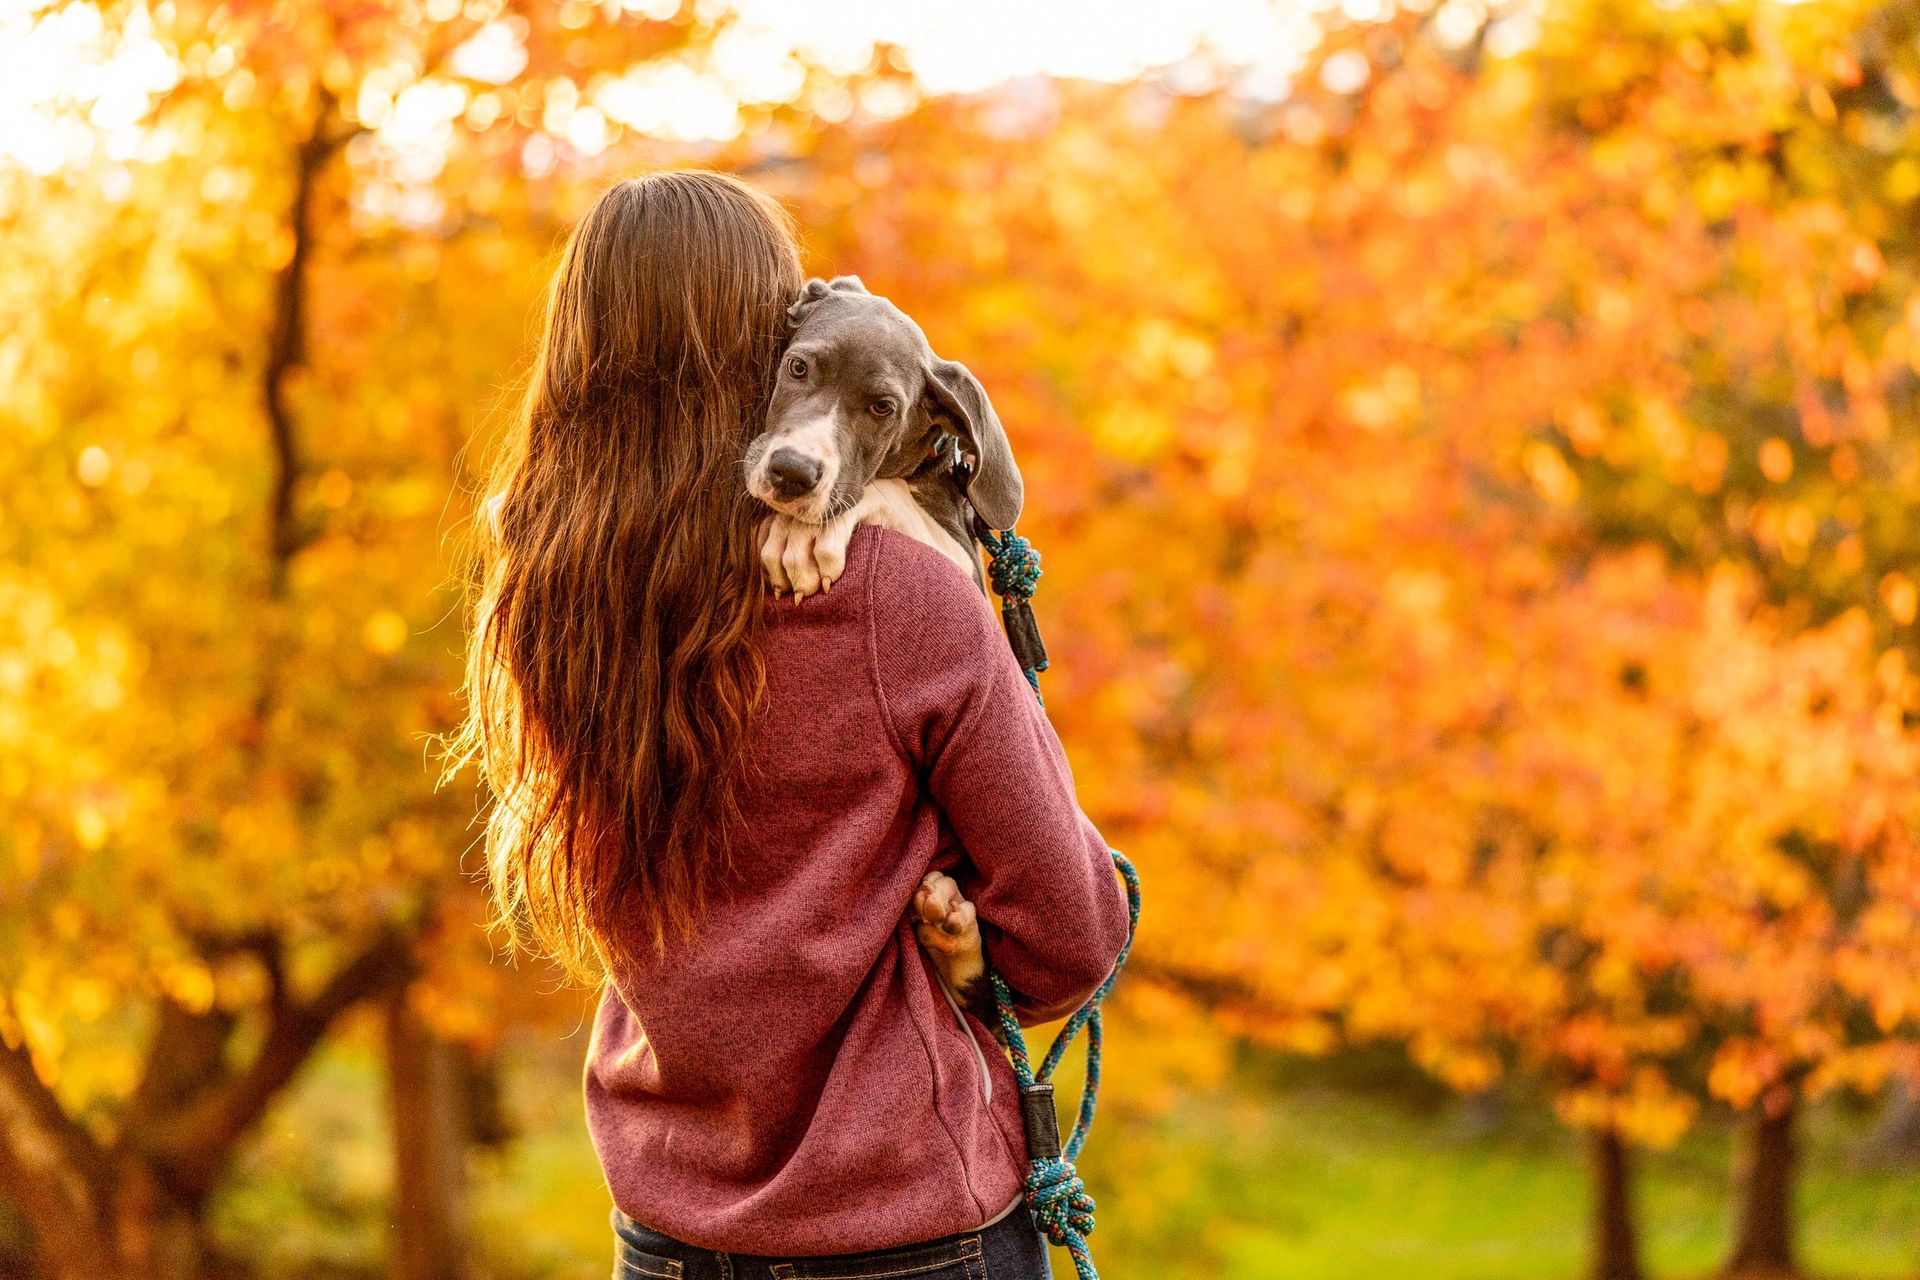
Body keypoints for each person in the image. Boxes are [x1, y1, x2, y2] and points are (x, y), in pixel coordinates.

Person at [456, 170, 1130, 1280]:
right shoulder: (898, 595)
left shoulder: (550, 595)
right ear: (757, 355)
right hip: (905, 1226)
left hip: (668, 1230)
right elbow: (1073, 934)